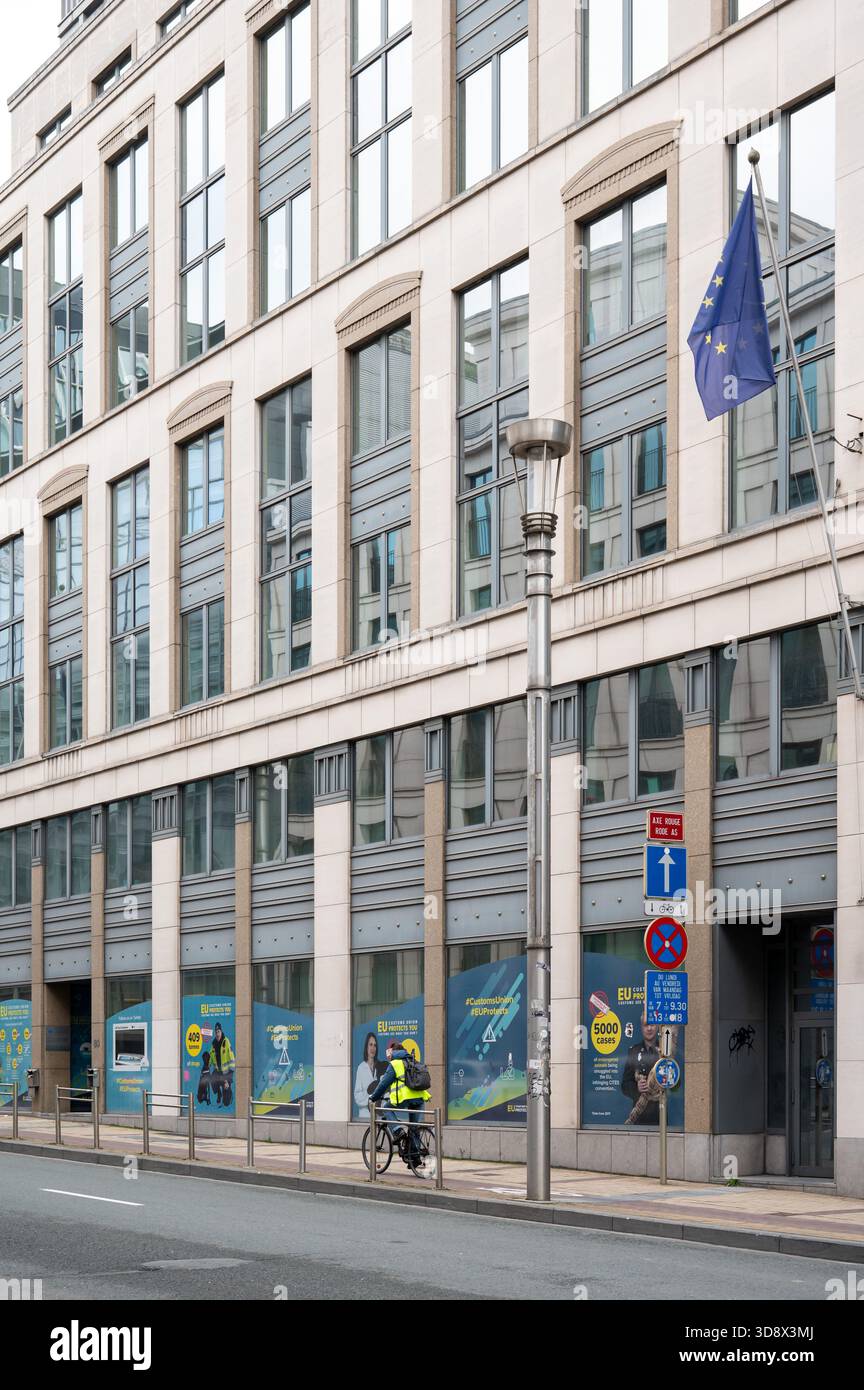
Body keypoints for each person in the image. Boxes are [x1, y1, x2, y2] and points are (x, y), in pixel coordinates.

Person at [366, 1038, 430, 1162]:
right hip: (420, 1097)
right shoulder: (412, 1060)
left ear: (393, 1052)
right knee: (413, 1127)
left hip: (405, 1098)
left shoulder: (395, 1064)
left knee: (386, 1108)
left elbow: (383, 1084)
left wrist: (373, 1097)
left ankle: (398, 1130)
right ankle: (414, 1158)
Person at [621, 1018, 661, 1125]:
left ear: (657, 1027)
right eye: (645, 1025)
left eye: (652, 1025)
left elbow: (676, 1084)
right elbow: (625, 1085)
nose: (649, 1028)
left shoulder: (664, 1051)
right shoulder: (634, 1051)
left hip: (660, 1114)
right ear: (641, 1027)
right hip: (640, 1115)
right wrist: (637, 1088)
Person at [353, 1032, 383, 1118]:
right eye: (370, 1044)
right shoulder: (361, 1068)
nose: (373, 1048)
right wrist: (370, 1099)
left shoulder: (380, 1066)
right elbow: (357, 1095)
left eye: (375, 1045)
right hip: (365, 1115)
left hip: (378, 1115)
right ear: (366, 1047)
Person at [209, 1021, 235, 1107]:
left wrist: (228, 1078)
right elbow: (211, 1057)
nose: (217, 1034)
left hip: (226, 1073)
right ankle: (219, 1093)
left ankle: (228, 1092)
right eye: (216, 1032)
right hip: (218, 1071)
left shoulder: (226, 1042)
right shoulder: (213, 1044)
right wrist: (207, 1065)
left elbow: (231, 1059)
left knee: (226, 1103)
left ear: (221, 1031)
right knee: (212, 1079)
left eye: (218, 1032)